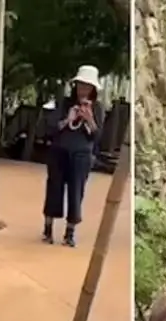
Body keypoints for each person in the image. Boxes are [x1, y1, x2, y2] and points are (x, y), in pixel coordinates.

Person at [42, 65, 106, 247]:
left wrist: (89, 119)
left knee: (76, 191)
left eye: (87, 86)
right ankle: (48, 228)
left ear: (93, 89)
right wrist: (68, 119)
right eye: (80, 85)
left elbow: (98, 136)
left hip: (81, 155)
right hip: (59, 152)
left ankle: (70, 232)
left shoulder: (98, 108)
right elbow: (51, 128)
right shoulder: (64, 103)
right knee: (54, 188)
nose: (83, 90)